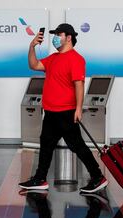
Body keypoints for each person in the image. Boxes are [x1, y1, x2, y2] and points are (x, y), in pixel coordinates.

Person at [18, 23, 108, 193]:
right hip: (51, 112)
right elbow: (34, 65)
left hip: (66, 112)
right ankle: (40, 179)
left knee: (77, 146)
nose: (55, 37)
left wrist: (79, 109)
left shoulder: (76, 59)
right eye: (55, 34)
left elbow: (79, 85)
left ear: (68, 37)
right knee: (46, 145)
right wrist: (32, 47)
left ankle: (97, 177)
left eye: (58, 34)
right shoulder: (53, 58)